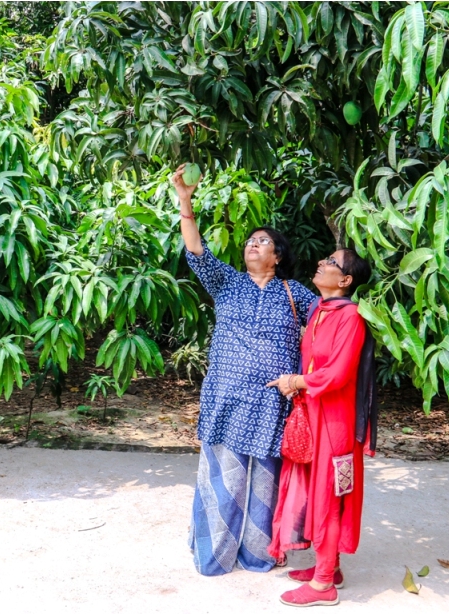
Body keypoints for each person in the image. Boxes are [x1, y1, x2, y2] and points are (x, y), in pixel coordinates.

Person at [173, 165, 316, 575]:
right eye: (251, 241)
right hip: (227, 396)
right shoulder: (227, 283)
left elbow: (327, 326)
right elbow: (196, 249)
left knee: (265, 484)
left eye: (263, 241)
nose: (254, 245)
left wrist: (307, 379)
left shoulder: (296, 293)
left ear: (278, 256)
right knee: (223, 478)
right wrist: (186, 200)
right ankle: (213, 554)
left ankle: (258, 554)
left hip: (273, 404)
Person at [266, 248, 375, 607]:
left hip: (336, 424)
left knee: (330, 497)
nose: (321, 264)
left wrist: (297, 382)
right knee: (319, 493)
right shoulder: (319, 309)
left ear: (345, 281)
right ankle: (331, 567)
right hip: (314, 415)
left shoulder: (351, 318)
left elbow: (339, 373)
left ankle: (323, 584)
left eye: (330, 263)